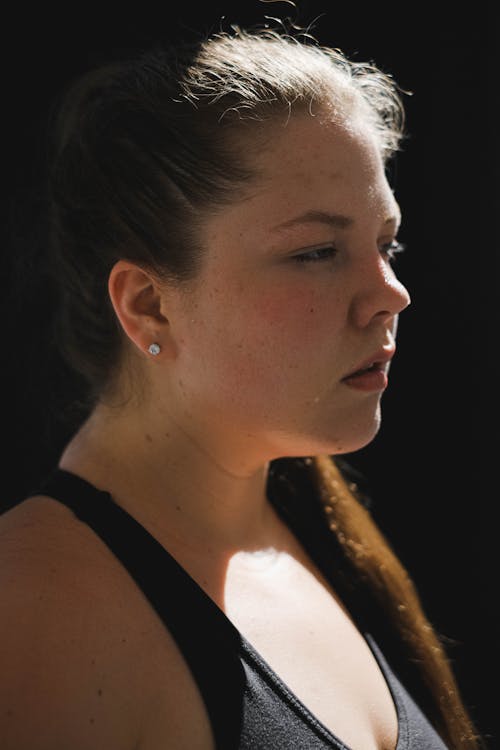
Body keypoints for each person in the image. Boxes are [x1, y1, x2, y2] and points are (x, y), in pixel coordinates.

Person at [0, 21, 483, 750]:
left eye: (387, 244)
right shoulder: (34, 608)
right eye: (317, 252)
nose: (391, 294)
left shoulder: (309, 527)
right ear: (148, 305)